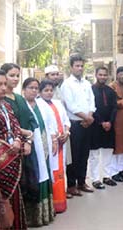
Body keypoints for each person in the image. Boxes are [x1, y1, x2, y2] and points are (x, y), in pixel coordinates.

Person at [0, 69, 27, 229]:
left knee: (14, 197)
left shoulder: (6, 104)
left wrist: (17, 139)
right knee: (0, 201)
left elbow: (15, 125)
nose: (3, 87)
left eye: (4, 84)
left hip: (13, 156)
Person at [0, 63, 39, 220]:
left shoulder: (19, 98)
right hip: (10, 149)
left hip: (26, 149)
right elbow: (8, 124)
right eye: (11, 75)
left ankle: (26, 219)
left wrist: (28, 141)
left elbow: (30, 120)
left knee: (29, 181)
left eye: (17, 75)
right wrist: (25, 137)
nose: (15, 79)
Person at [60, 53, 96, 195]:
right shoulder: (67, 85)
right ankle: (71, 185)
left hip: (87, 123)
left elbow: (91, 102)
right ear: (71, 67)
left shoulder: (87, 83)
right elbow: (70, 106)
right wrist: (87, 118)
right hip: (75, 124)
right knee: (73, 156)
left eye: (82, 66)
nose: (80, 68)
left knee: (84, 154)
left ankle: (82, 182)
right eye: (77, 66)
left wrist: (90, 117)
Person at [21, 78, 55, 226]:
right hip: (30, 149)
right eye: (30, 88)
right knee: (33, 177)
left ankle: (45, 214)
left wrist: (53, 140)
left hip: (44, 147)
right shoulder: (21, 104)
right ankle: (32, 217)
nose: (34, 90)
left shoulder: (42, 104)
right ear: (24, 89)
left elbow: (50, 123)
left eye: (36, 88)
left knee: (45, 175)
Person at [36, 79, 71, 210]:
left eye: (51, 90)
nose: (49, 93)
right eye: (46, 90)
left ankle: (61, 202)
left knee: (61, 170)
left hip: (63, 141)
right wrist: (54, 138)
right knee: (52, 171)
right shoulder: (38, 104)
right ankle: (53, 205)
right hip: (51, 143)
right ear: (40, 92)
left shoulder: (57, 103)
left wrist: (67, 132)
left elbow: (66, 120)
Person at [88, 67, 118, 189]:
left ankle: (107, 176)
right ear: (96, 75)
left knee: (108, 152)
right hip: (95, 125)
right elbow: (91, 107)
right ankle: (95, 179)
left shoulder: (111, 91)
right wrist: (101, 122)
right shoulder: (90, 90)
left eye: (105, 75)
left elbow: (114, 108)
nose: (103, 77)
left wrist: (110, 122)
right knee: (94, 154)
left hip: (109, 126)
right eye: (100, 74)